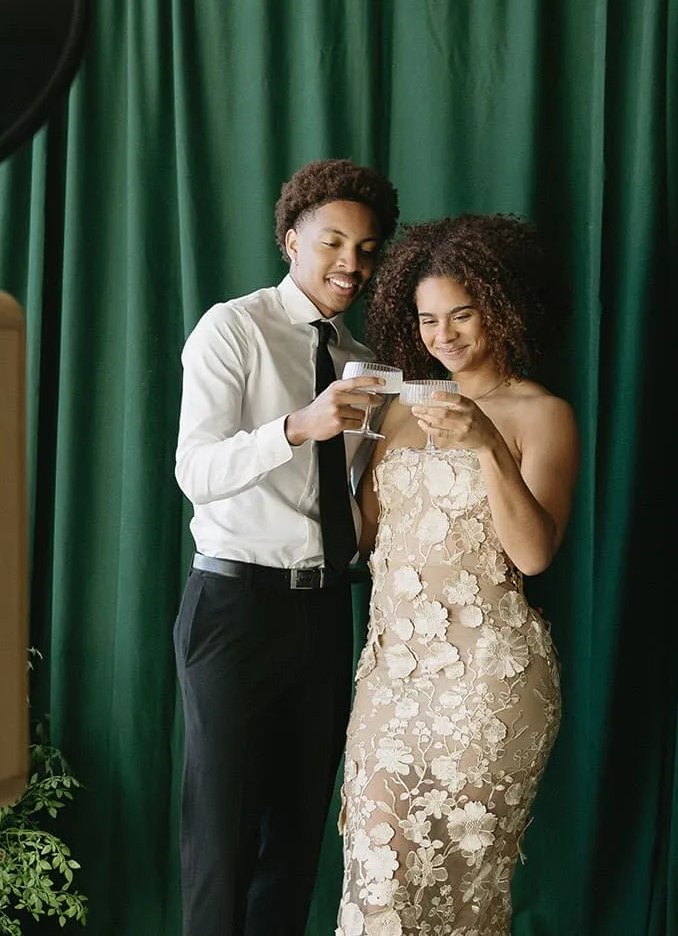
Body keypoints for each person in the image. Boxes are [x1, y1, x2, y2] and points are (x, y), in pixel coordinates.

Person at [173, 158, 400, 936]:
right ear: (291, 238)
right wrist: (299, 425)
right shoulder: (231, 328)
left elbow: (358, 501)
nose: (350, 262)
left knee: (298, 836)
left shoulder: (366, 360)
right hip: (234, 605)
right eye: (334, 240)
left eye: (367, 250)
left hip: (324, 612)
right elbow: (194, 472)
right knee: (222, 837)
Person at [335, 214, 579, 936]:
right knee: (376, 876)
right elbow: (365, 535)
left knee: (467, 896)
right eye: (428, 319)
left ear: (501, 307)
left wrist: (486, 446)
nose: (443, 335)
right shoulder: (398, 407)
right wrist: (338, 451)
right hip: (391, 679)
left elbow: (534, 554)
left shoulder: (543, 413)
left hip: (489, 682)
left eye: (461, 315)